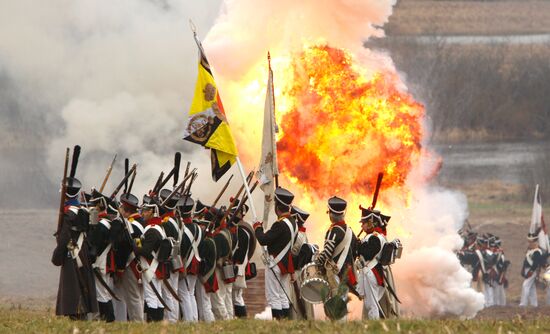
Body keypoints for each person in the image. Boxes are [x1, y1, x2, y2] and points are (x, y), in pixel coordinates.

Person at [52, 175, 98, 319]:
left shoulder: (70, 212)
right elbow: (93, 230)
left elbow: (65, 236)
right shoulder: (84, 209)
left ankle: (76, 316)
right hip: (83, 251)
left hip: (72, 252)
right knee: (82, 285)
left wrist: (57, 255)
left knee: (73, 289)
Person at [254, 187, 298, 320]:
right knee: (283, 296)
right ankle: (286, 323)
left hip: (276, 263)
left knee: (274, 297)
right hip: (285, 264)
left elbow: (263, 240)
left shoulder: (279, 225)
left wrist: (257, 228)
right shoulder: (293, 223)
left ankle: (279, 325)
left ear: (278, 206)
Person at [316, 196, 358, 320]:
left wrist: (317, 261)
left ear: (330, 213)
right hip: (346, 271)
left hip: (335, 271)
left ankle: (338, 328)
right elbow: (354, 252)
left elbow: (328, 252)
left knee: (336, 300)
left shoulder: (333, 230)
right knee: (342, 299)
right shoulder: (350, 231)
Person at [87, 190, 122, 322]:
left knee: (101, 294)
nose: (92, 207)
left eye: (94, 205)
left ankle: (108, 320)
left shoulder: (102, 225)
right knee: (105, 293)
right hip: (106, 263)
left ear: (99, 206)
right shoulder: (107, 222)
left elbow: (94, 245)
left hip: (101, 263)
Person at [113, 192, 145, 321]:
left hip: (130, 264)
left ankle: (137, 325)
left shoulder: (130, 225)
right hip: (139, 263)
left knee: (133, 298)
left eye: (121, 208)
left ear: (125, 211)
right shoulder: (140, 222)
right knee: (138, 297)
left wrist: (120, 267)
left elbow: (124, 247)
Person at [356, 208, 386, 319]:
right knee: (369, 303)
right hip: (368, 272)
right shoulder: (372, 236)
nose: (362, 226)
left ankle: (374, 326)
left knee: (372, 304)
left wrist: (358, 245)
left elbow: (368, 254)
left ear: (370, 223)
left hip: (372, 272)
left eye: (363, 223)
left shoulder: (375, 237)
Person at [288, 205, 316, 320]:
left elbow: (291, 255)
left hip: (295, 272)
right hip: (301, 272)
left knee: (294, 300)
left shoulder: (297, 236)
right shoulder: (302, 234)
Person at [230, 200, 256, 318]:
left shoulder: (241, 231)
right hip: (240, 266)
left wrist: (233, 264)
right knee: (237, 297)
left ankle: (241, 320)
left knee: (236, 297)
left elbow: (239, 253)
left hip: (238, 267)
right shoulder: (244, 228)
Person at [177, 196, 202, 322]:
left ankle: (188, 322)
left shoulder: (182, 229)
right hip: (195, 264)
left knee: (184, 294)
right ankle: (194, 320)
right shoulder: (198, 227)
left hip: (186, 265)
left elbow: (181, 248)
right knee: (190, 293)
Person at [519, 232, 546, 307]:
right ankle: (534, 304)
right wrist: (523, 270)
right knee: (531, 288)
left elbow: (536, 263)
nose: (530, 243)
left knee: (525, 285)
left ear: (535, 242)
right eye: (529, 241)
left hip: (533, 271)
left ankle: (523, 303)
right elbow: (526, 261)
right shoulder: (530, 250)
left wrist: (531, 271)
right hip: (528, 269)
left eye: (532, 242)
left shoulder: (537, 251)